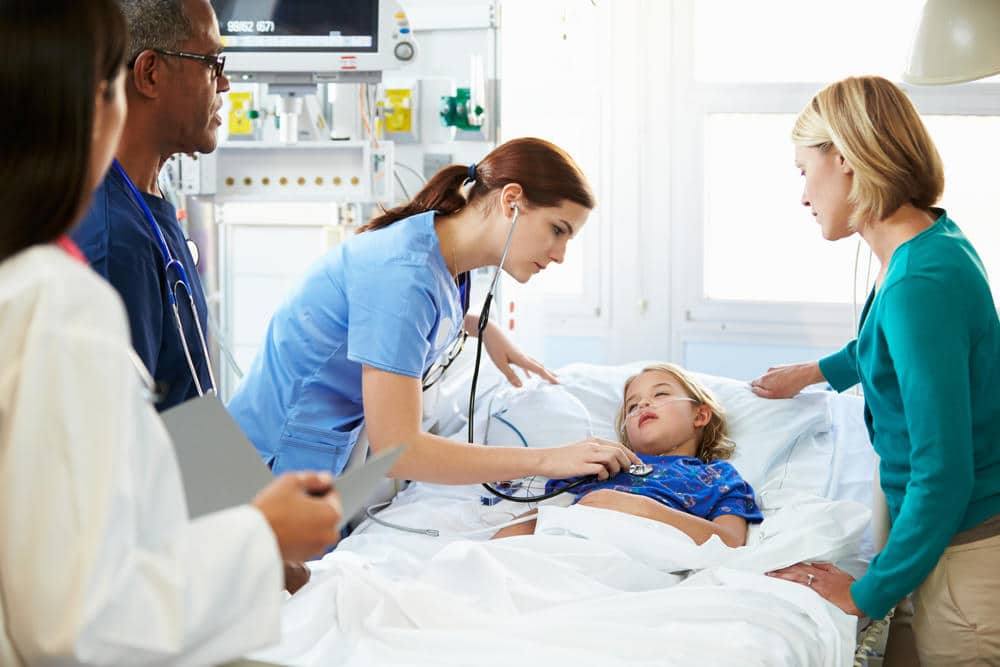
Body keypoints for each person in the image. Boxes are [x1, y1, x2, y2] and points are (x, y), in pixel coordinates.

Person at [0, 1, 343, 664]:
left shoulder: (141, 221)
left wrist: (254, 527)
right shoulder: (84, 270)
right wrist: (257, 537)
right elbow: (81, 616)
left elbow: (173, 416)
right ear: (125, 88)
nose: (226, 83)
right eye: (213, 62)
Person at [750, 76, 1000, 665]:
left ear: (843, 158)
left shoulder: (919, 283)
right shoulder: (931, 243)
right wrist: (812, 371)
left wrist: (866, 595)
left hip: (959, 556)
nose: (804, 195)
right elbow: (887, 347)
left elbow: (943, 474)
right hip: (931, 537)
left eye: (802, 170)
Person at [229, 138, 641, 484]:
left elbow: (405, 317)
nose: (561, 256)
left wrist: (482, 328)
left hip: (309, 459)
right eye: (558, 230)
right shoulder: (403, 273)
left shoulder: (440, 253)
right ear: (511, 201)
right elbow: (401, 451)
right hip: (263, 468)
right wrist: (548, 460)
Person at [71, 0, 229, 411]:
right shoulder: (113, 240)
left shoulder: (148, 206)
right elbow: (115, 438)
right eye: (211, 62)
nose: (224, 84)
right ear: (150, 74)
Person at [493, 363, 763, 546]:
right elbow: (547, 512)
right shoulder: (606, 464)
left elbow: (730, 541)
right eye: (632, 405)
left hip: (642, 550)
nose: (643, 403)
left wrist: (640, 509)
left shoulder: (717, 476)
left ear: (700, 414)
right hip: (568, 544)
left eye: (660, 394)